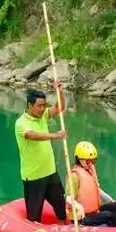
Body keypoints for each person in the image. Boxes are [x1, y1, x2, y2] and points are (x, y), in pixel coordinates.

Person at [14, 88, 82, 223]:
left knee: (61, 205)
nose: (42, 108)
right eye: (39, 106)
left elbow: (59, 107)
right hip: (33, 176)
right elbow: (33, 135)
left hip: (50, 172)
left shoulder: (43, 115)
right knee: (34, 215)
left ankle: (64, 227)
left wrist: (60, 92)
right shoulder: (21, 123)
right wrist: (55, 135)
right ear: (29, 105)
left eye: (44, 105)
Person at [66, 141, 116, 227]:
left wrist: (109, 199)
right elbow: (68, 198)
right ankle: (112, 230)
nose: (91, 164)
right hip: (82, 217)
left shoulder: (90, 169)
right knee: (108, 214)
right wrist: (78, 206)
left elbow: (96, 189)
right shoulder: (74, 176)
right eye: (88, 161)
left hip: (94, 211)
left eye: (93, 161)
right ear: (79, 159)